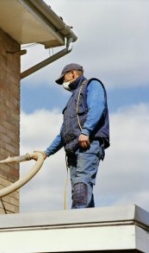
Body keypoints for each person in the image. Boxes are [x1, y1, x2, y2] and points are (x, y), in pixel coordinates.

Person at [40, 63, 110, 209]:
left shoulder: (92, 84)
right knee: (79, 192)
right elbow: (63, 132)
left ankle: (77, 224)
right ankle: (89, 224)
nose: (63, 83)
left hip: (87, 145)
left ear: (73, 73)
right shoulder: (73, 99)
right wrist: (47, 152)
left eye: (64, 78)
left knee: (81, 189)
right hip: (72, 150)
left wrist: (86, 132)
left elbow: (97, 108)